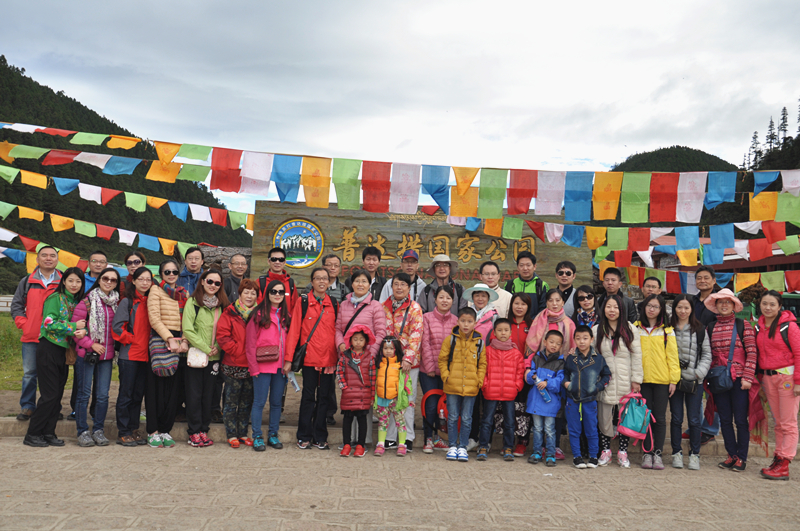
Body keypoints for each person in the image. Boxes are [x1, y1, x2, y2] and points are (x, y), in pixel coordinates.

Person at [23, 268, 86, 448]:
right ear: (63, 281)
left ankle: (49, 432)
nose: (74, 284)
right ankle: (33, 433)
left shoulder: (75, 301)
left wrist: (82, 331)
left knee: (57, 395)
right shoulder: (55, 298)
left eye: (78, 281)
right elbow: (48, 323)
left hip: (63, 352)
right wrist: (74, 326)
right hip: (49, 348)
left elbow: (81, 325)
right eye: (71, 280)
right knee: (49, 395)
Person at [284, 267, 338, 450]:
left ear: (329, 282)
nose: (322, 281)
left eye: (325, 278)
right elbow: (294, 331)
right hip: (309, 359)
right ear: (312, 281)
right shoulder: (303, 301)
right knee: (308, 397)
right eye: (318, 278)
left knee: (324, 398)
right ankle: (304, 435)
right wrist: (289, 359)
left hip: (329, 360)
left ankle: (320, 436)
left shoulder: (334, 303)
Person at [704, 288, 757, 472]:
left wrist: (748, 377)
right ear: (716, 305)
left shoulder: (743, 325)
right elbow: (708, 354)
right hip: (719, 379)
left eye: (728, 301)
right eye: (721, 302)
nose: (724, 305)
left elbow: (752, 353)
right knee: (725, 419)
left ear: (734, 305)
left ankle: (742, 457)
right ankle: (731, 455)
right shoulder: (710, 327)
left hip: (740, 379)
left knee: (740, 420)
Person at [70, 267, 120, 447]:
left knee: (102, 396)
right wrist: (92, 344)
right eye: (105, 278)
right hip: (87, 354)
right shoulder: (87, 302)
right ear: (99, 280)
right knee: (83, 394)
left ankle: (98, 429)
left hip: (107, 356)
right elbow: (76, 332)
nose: (109, 282)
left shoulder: (117, 302)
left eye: (113, 280)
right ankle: (82, 431)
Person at [11, 246, 62, 422]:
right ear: (37, 259)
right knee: (30, 373)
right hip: (31, 336)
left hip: (55, 337)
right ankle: (27, 406)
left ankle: (52, 407)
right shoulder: (27, 281)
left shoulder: (64, 281)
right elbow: (17, 305)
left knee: (54, 374)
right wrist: (24, 325)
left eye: (52, 256)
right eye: (44, 255)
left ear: (57, 260)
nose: (48, 258)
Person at [335, 268, 387, 441]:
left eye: (364, 281)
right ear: (352, 284)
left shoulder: (375, 306)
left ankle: (364, 440)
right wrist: (340, 344)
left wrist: (370, 354)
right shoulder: (344, 304)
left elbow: (381, 332)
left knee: (365, 395)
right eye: (357, 281)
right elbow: (338, 329)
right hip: (348, 357)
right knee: (349, 396)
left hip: (367, 359)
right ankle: (349, 440)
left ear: (369, 285)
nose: (360, 284)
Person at [594, 294, 643, 468]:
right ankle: (605, 451)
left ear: (621, 309)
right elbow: (591, 355)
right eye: (608, 307)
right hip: (604, 381)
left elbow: (637, 356)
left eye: (615, 307)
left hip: (625, 381)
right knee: (604, 418)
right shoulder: (597, 330)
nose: (612, 310)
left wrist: (636, 379)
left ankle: (623, 452)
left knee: (624, 418)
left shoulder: (630, 329)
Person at [755, 291, 800, 480]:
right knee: (779, 422)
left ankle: (785, 463)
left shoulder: (789, 327)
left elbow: (799, 353)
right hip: (768, 378)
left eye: (772, 304)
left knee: (788, 423)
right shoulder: (759, 326)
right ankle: (778, 458)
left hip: (787, 379)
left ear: (780, 306)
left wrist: (798, 382)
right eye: (764, 303)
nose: (768, 307)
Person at [182, 269, 229, 448]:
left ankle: (203, 429)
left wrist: (217, 346)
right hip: (197, 355)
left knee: (208, 395)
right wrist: (205, 347)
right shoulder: (193, 302)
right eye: (210, 281)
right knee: (194, 395)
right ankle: (193, 431)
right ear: (202, 281)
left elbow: (225, 329)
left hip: (214, 357)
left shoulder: (222, 305)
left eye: (217, 283)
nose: (213, 286)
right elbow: (188, 329)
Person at [146, 259, 190, 449]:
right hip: (161, 339)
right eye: (167, 272)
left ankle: (165, 428)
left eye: (174, 272)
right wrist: (169, 338)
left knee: (173, 389)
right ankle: (153, 430)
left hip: (179, 342)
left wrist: (184, 340)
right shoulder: (155, 291)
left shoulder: (184, 293)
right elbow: (154, 318)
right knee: (156, 388)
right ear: (161, 274)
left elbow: (188, 319)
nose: (171, 275)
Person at [635, 294, 680, 470]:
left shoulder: (667, 331)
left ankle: (658, 454)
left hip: (662, 380)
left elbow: (673, 357)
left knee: (660, 418)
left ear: (661, 310)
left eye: (656, 306)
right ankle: (647, 452)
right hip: (642, 380)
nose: (651, 309)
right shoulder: (635, 328)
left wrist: (673, 380)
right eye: (649, 306)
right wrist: (634, 379)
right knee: (645, 418)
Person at [245, 279, 290, 452]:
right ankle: (257, 436)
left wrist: (288, 363)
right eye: (274, 291)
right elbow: (250, 343)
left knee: (276, 403)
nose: (277, 295)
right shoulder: (258, 314)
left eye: (280, 292)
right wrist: (253, 367)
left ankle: (273, 434)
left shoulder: (286, 315)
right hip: (262, 366)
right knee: (259, 402)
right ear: (267, 294)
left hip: (281, 367)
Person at [669, 294, 711, 470]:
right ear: (674, 308)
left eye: (686, 307)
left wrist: (698, 373)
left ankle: (695, 454)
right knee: (676, 418)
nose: (683, 311)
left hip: (694, 381)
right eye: (679, 307)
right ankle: (676, 453)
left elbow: (707, 354)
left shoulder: (699, 329)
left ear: (692, 309)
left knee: (694, 419)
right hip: (674, 381)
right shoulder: (668, 328)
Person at [112, 267, 153, 447]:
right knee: (126, 394)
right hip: (129, 355)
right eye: (141, 279)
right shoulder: (127, 302)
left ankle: (133, 428)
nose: (145, 282)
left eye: (148, 279)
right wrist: (133, 340)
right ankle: (123, 431)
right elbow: (117, 328)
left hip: (146, 356)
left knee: (138, 395)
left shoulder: (152, 301)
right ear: (134, 281)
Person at [439, 307, 486, 462]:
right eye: (463, 321)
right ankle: (453, 445)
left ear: (475, 323)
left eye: (470, 321)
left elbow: (482, 364)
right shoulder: (450, 340)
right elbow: (442, 360)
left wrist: (479, 380)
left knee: (466, 418)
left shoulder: (479, 343)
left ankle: (463, 446)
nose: (466, 324)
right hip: (452, 385)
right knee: (452, 417)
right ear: (457, 321)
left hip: (471, 387)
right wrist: (446, 376)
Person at [383, 272, 424, 450]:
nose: (399, 288)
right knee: (390, 398)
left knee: (407, 398)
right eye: (396, 284)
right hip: (388, 362)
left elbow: (416, 335)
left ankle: (407, 437)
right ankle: (391, 436)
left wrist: (408, 359)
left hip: (409, 363)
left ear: (409, 288)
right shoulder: (383, 307)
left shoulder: (415, 308)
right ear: (391, 286)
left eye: (403, 285)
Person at [217, 279, 259, 448]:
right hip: (233, 364)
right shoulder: (230, 312)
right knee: (231, 401)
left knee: (246, 402)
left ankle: (242, 433)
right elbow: (222, 337)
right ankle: (231, 434)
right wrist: (238, 350)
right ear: (240, 294)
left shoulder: (260, 314)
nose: (249, 296)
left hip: (252, 366)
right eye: (246, 292)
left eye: (253, 293)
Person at [476, 318, 525, 462]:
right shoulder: (488, 351)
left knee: (509, 422)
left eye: (506, 330)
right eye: (499, 330)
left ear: (510, 333)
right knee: (487, 421)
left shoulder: (516, 353)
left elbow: (520, 371)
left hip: (509, 393)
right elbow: (482, 369)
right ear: (494, 332)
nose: (503, 333)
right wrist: (485, 384)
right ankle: (483, 446)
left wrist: (517, 386)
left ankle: (508, 447)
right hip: (490, 391)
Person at [563, 325, 611, 468]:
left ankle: (593, 456)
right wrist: (567, 384)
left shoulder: (598, 359)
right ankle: (577, 457)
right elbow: (565, 373)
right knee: (574, 430)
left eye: (585, 338)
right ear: (574, 340)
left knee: (591, 429)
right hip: (573, 399)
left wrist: (597, 387)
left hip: (590, 400)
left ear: (591, 339)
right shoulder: (571, 358)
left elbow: (607, 375)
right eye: (578, 338)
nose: (582, 341)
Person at [419, 285, 458, 453]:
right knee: (430, 404)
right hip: (428, 371)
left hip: (447, 373)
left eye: (448, 298)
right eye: (441, 297)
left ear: (452, 301)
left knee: (443, 407)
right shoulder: (426, 318)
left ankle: (438, 438)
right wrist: (429, 367)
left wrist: (450, 371)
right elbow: (425, 343)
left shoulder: (456, 321)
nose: (444, 301)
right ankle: (428, 438)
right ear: (435, 299)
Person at [687, 265, 721, 445]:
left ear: (714, 280)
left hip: (714, 352)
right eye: (699, 278)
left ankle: (710, 429)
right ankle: (695, 426)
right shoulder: (691, 301)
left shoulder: (719, 301)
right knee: (694, 390)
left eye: (706, 278)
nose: (702, 281)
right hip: (692, 351)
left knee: (712, 393)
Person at [525, 330, 565, 467]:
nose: (554, 345)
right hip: (536, 400)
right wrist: (532, 376)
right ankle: (537, 452)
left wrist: (547, 383)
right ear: (545, 342)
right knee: (537, 428)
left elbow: (560, 381)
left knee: (549, 429)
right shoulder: (536, 358)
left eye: (558, 344)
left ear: (561, 346)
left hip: (550, 402)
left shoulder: (560, 362)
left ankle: (550, 454)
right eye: (551, 342)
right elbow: (529, 376)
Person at [336, 325, 377, 457]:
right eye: (355, 339)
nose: (358, 342)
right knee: (347, 420)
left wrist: (372, 397)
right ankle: (347, 444)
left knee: (362, 420)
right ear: (350, 341)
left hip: (363, 395)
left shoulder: (369, 358)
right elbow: (339, 372)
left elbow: (372, 378)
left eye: (361, 339)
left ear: (366, 342)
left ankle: (360, 445)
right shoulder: (345, 356)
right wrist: (344, 387)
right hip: (348, 394)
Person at [374, 336, 412, 456]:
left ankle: (402, 444)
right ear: (381, 350)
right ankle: (380, 444)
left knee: (400, 422)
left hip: (397, 400)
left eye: (391, 348)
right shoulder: (378, 365)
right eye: (385, 348)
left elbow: (407, 382)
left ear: (396, 350)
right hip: (382, 399)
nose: (388, 351)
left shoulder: (400, 366)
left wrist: (409, 398)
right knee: (382, 422)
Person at [507, 293, 533, 457]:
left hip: (525, 373)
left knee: (523, 408)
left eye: (523, 304)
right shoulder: (504, 323)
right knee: (508, 407)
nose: (519, 307)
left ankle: (522, 441)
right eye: (516, 303)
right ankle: (507, 441)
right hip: (506, 372)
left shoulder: (532, 325)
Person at [504, 251, 549, 319]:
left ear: (534, 266)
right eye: (521, 265)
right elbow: (506, 306)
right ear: (517, 267)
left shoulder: (542, 286)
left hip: (534, 324)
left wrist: (532, 322)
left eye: (528, 265)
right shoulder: (510, 284)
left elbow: (543, 310)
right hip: (514, 324)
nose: (525, 268)